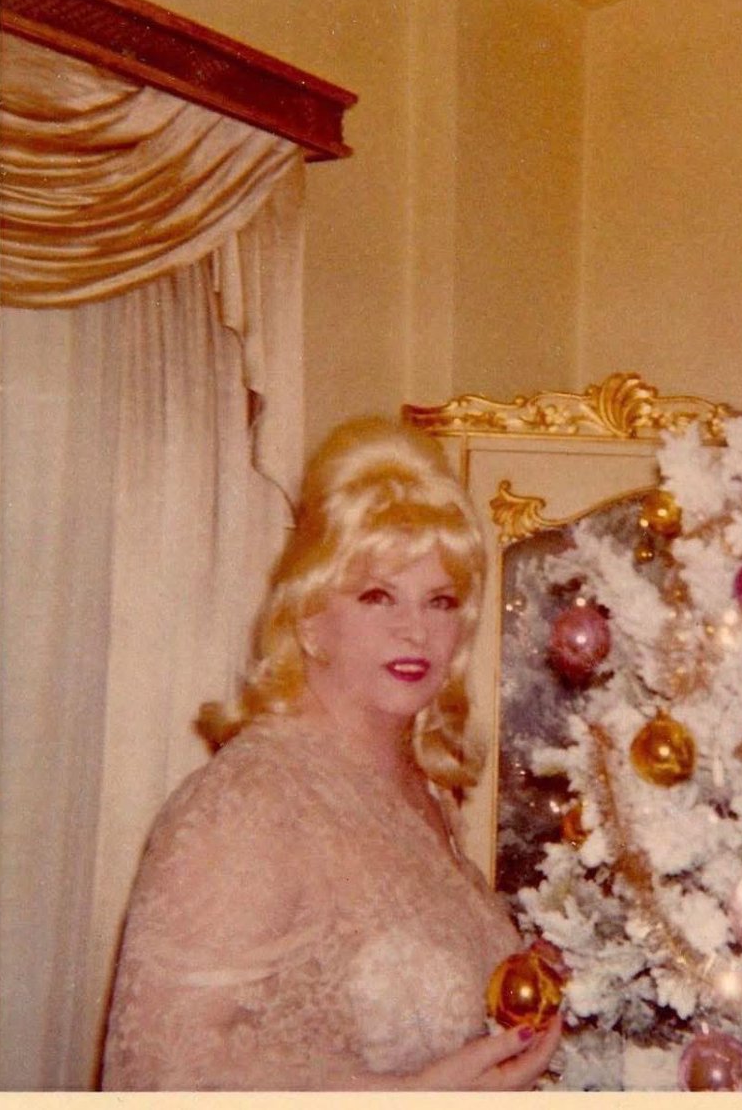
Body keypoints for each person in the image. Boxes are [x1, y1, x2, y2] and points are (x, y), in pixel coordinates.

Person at [101, 417, 561, 1090]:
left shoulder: (421, 793)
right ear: (311, 619)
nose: (416, 630)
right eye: (378, 596)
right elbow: (153, 1076)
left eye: (440, 601)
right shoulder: (252, 801)